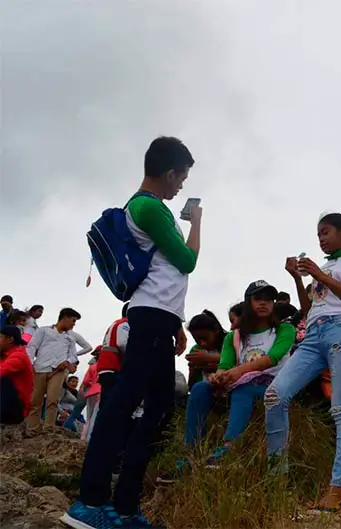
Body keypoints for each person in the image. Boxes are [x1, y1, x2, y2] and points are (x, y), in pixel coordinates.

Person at [64, 136, 201, 529]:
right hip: (150, 315)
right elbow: (187, 261)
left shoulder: (153, 209)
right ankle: (89, 502)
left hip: (161, 317)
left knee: (158, 409)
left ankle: (125, 507)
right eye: (182, 178)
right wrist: (198, 223)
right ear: (170, 171)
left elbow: (168, 273)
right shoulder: (147, 207)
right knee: (124, 403)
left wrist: (177, 323)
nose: (181, 187)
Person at [265, 212, 341, 512]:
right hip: (312, 334)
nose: (321, 238)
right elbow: (310, 306)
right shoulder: (323, 266)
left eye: (326, 232)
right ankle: (276, 482)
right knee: (274, 395)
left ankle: (339, 488)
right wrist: (299, 278)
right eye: (318, 234)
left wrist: (319, 276)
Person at [184, 281, 294, 467]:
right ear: (248, 303)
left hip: (273, 386)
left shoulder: (284, 330)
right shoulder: (233, 336)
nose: (263, 303)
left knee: (244, 389)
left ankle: (229, 448)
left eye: (268, 299)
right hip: (240, 382)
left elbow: (272, 359)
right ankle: (191, 451)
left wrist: (238, 372)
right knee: (201, 388)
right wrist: (219, 376)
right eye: (257, 298)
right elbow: (225, 363)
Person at [25, 307, 83, 434]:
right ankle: (32, 429)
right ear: (65, 318)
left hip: (58, 371)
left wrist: (67, 362)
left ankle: (48, 428)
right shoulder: (43, 331)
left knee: (52, 400)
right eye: (73, 321)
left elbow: (73, 355)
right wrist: (30, 363)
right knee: (36, 400)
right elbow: (32, 346)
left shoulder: (69, 338)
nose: (73, 324)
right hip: (40, 368)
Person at [0, 326, 34, 425]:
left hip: (16, 409)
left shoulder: (19, 356)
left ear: (10, 339)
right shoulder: (4, 355)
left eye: (0, 337)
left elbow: (2, 371)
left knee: (4, 380)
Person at [185, 310, 226, 388]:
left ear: (216, 330)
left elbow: (239, 360)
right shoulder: (195, 350)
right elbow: (191, 385)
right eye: (196, 340)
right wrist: (193, 371)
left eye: (205, 338)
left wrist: (209, 358)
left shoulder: (229, 341)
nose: (202, 343)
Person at [81, 356, 103, 442]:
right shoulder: (107, 367)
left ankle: (83, 437)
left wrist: (92, 383)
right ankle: (92, 438)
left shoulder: (92, 366)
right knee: (97, 416)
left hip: (91, 393)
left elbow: (86, 381)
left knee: (89, 417)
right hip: (101, 392)